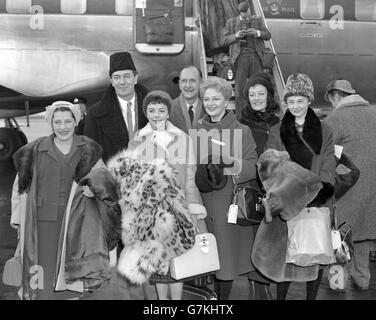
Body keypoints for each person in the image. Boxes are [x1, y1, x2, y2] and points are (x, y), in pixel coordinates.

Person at [10, 101, 120, 300]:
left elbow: (106, 183)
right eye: (57, 122)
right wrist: (19, 223)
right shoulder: (34, 150)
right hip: (42, 227)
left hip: (76, 226)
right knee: (42, 284)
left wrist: (93, 191)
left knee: (71, 284)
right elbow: (20, 187)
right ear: (51, 123)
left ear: (75, 122)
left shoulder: (89, 150)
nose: (63, 127)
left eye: (67, 121)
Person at [111, 90, 207, 300]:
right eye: (151, 110)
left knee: (179, 257)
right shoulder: (137, 140)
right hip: (151, 210)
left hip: (178, 206)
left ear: (168, 112)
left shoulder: (182, 137)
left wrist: (193, 203)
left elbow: (190, 174)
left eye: (161, 110)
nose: (156, 115)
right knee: (157, 260)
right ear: (146, 112)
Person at [258, 73, 336, 300]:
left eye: (300, 101)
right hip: (287, 200)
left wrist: (317, 191)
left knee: (315, 254)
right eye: (290, 101)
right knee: (286, 254)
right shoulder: (276, 131)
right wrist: (287, 194)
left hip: (316, 200)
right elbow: (270, 164)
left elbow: (329, 165)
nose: (295, 106)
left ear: (309, 101)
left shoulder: (325, 130)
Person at [194, 76, 258, 300]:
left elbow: (252, 166)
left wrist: (228, 163)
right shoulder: (197, 128)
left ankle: (221, 302)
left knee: (225, 261)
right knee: (201, 257)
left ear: (226, 101)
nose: (210, 103)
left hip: (226, 204)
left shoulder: (242, 130)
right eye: (206, 99)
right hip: (201, 204)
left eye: (216, 98)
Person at [324, 79, 376, 290]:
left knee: (340, 234)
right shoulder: (374, 113)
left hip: (347, 188)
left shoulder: (336, 118)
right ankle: (362, 279)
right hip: (372, 188)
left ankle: (338, 283)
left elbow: (324, 153)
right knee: (363, 231)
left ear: (335, 96)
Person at [239, 72, 280, 300]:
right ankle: (258, 287)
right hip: (251, 185)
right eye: (252, 94)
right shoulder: (241, 121)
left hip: (273, 185)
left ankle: (266, 283)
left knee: (270, 238)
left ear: (269, 96)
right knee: (255, 238)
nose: (256, 98)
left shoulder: (278, 121)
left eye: (260, 93)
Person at [84, 51, 148, 163]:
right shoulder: (95, 114)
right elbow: (91, 155)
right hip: (112, 177)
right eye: (117, 77)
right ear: (112, 81)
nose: (122, 82)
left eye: (127, 76)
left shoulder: (155, 109)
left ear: (136, 78)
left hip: (150, 176)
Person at [222, 1, 271, 120]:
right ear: (240, 13)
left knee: (258, 88)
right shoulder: (231, 22)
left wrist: (257, 33)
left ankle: (258, 118)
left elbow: (268, 35)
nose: (246, 17)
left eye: (247, 15)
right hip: (240, 58)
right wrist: (236, 36)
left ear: (250, 10)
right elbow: (224, 40)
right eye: (243, 16)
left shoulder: (258, 20)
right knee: (240, 90)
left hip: (255, 56)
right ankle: (241, 119)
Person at [169, 65, 206, 134]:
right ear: (180, 84)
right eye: (184, 81)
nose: (188, 85)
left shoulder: (210, 109)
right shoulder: (168, 109)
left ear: (201, 83)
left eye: (192, 81)